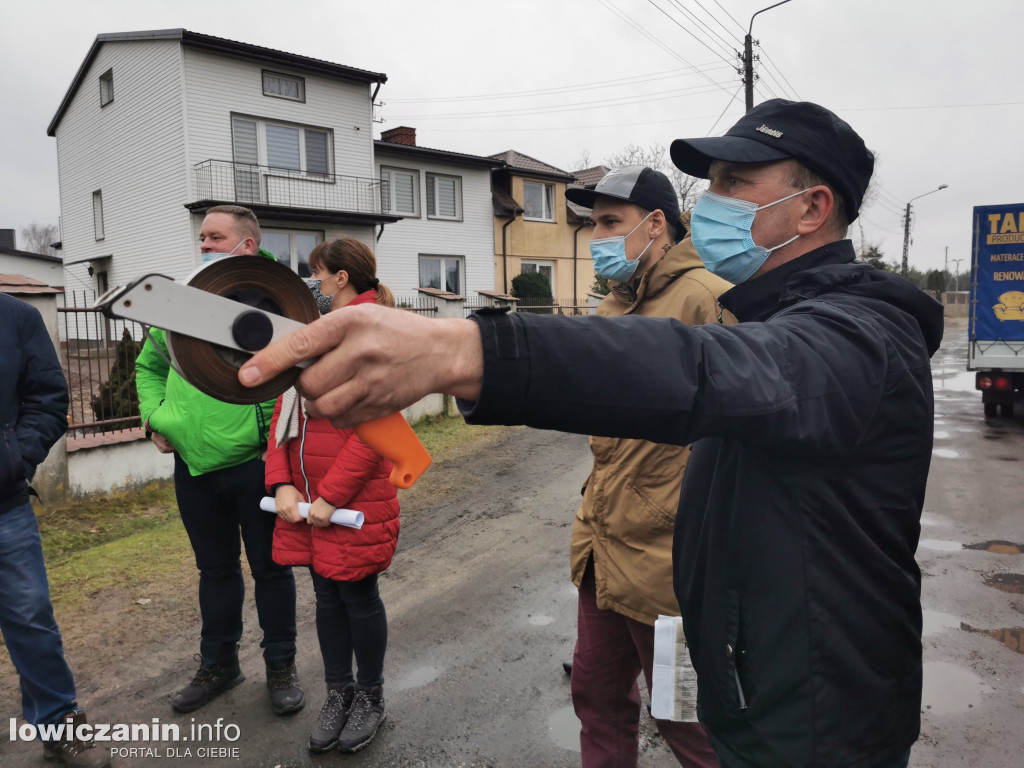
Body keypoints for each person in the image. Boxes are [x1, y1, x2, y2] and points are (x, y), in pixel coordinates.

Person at [237, 100, 944, 768]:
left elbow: (699, 371)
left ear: (812, 208)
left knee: (680, 725)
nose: (711, 202)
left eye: (735, 182)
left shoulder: (860, 334)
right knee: (604, 700)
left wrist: (464, 352)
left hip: (818, 716)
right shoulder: (765, 310)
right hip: (741, 657)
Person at [563, 167, 726, 768]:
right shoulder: (612, 306)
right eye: (593, 225)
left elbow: (736, 433)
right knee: (595, 698)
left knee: (686, 719)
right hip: (601, 554)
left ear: (655, 224)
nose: (597, 238)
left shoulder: (707, 297)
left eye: (610, 223)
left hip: (671, 570)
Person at [135, 204, 302, 716]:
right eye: (202, 237)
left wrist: (276, 454)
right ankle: (220, 665)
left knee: (272, 571)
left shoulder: (278, 306)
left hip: (256, 465)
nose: (203, 244)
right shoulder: (179, 304)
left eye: (214, 237)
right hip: (194, 467)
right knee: (215, 571)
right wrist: (155, 420)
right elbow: (148, 366)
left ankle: (280, 666)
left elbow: (291, 383)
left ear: (245, 247)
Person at [265, 238, 400, 754]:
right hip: (309, 502)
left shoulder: (370, 335)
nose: (312, 284)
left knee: (358, 597)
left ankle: (370, 696)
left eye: (317, 274)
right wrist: (279, 483)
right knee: (325, 596)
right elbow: (281, 417)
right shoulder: (310, 337)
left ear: (342, 278)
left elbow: (374, 432)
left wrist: (329, 496)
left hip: (352, 504)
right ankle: (338, 692)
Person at [0, 293, 111, 767]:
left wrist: (13, 461)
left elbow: (47, 398)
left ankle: (59, 722)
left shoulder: (16, 317)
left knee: (31, 620)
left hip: (3, 507)